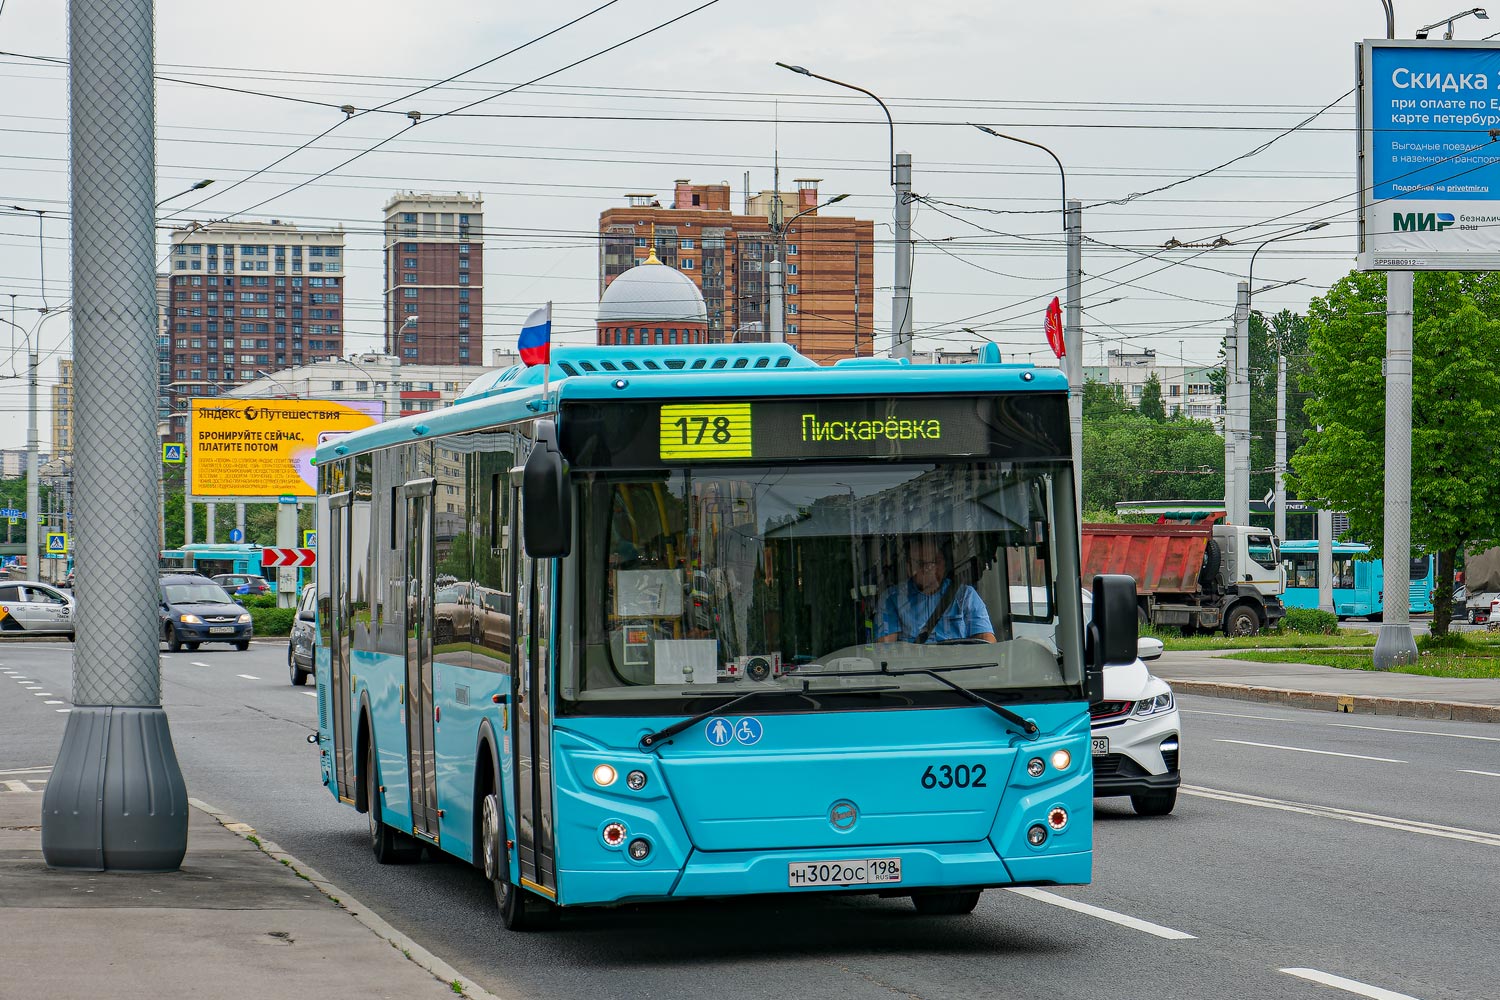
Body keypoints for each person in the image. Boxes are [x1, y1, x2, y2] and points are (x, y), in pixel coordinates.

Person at [876, 537, 996, 644]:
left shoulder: (965, 596)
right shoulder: (891, 599)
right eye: (922, 563)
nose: (929, 569)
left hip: (959, 666)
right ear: (909, 566)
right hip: (914, 667)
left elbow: (987, 642)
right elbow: (886, 651)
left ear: (943, 564)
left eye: (935, 562)